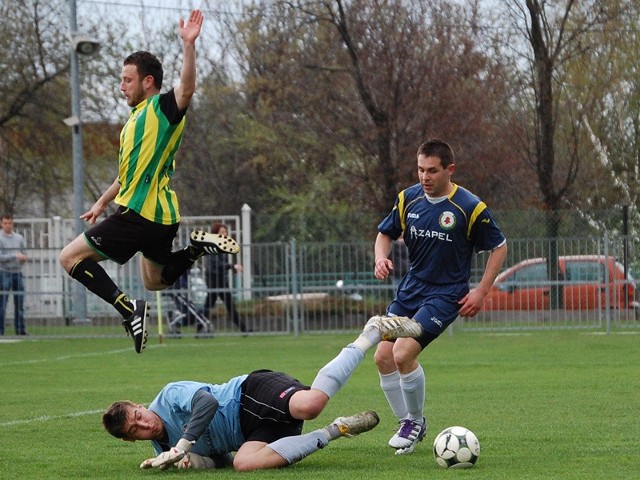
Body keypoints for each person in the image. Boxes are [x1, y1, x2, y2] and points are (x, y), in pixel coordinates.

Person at [59, 10, 239, 354]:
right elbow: (127, 176)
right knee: (155, 281)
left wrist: (188, 45)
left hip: (140, 214)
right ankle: (196, 248)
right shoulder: (134, 122)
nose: (121, 85)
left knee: (68, 258)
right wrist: (101, 202)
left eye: (127, 79)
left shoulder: (160, 108)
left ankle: (128, 308)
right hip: (162, 217)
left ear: (147, 82)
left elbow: (187, 87)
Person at [102, 315, 424, 471]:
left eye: (139, 416)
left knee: (310, 405)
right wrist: (192, 462)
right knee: (244, 465)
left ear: (140, 406)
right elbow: (224, 460)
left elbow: (208, 402)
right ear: (131, 440)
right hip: (253, 432)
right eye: (136, 430)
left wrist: (182, 446)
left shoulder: (170, 395)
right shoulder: (162, 447)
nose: (144, 425)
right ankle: (336, 430)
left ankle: (371, 332)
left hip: (249, 394)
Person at [372, 139, 508, 455]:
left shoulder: (469, 207)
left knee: (403, 353)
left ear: (449, 169)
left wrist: (482, 291)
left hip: (445, 295)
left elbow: (499, 246)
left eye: (432, 170)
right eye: (420, 169)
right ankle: (407, 422)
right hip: (410, 290)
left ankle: (415, 422)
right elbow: (385, 233)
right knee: (382, 356)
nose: (424, 177)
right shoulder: (408, 199)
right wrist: (381, 257)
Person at [203, 222, 249, 333]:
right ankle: (199, 327)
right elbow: (217, 263)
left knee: (228, 305)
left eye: (226, 232)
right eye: (222, 232)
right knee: (209, 306)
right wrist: (232, 266)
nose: (225, 234)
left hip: (220, 280)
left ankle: (244, 329)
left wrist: (231, 268)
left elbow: (221, 264)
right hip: (214, 281)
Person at [0, 214, 28, 335]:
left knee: (20, 303)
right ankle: (1, 331)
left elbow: (24, 253)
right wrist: (14, 256)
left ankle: (20, 330)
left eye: (9, 223)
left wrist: (22, 258)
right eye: (5, 223)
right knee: (2, 303)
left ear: (13, 223)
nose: (8, 225)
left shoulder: (19, 238)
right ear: (1, 224)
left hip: (17, 272)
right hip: (4, 272)